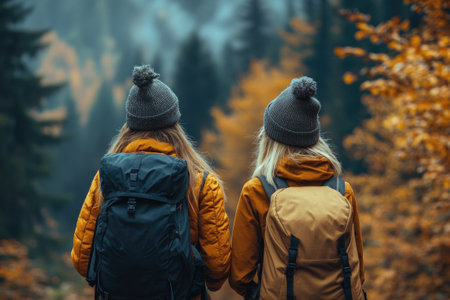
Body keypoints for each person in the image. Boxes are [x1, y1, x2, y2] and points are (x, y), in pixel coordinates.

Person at [71, 65, 231, 299]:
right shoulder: (201, 181)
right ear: (174, 122)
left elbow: (81, 261)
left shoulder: (108, 177)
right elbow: (217, 270)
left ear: (130, 124)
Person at [229, 76, 365, 299]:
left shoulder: (257, 191)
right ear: (315, 138)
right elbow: (358, 271)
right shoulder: (342, 191)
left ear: (270, 139)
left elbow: (240, 276)